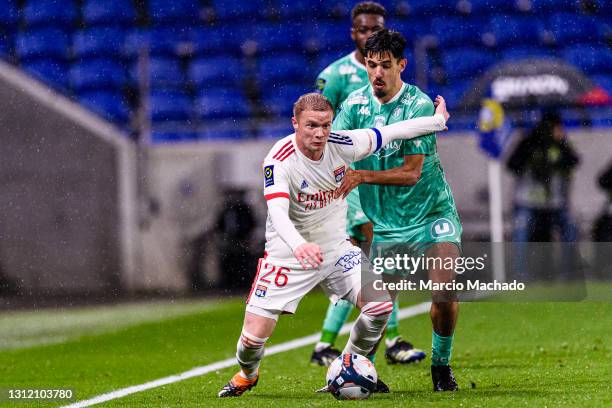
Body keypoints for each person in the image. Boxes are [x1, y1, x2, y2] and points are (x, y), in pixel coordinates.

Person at [217, 92, 450, 397]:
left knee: (379, 306)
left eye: (325, 125)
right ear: (295, 124)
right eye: (311, 125)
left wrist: (437, 121)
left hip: (337, 251)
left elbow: (394, 131)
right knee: (251, 341)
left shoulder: (342, 144)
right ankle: (248, 374)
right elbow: (277, 213)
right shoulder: (279, 159)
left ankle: (348, 367)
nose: (320, 133)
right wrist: (300, 246)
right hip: (288, 256)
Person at [333, 29, 462, 392]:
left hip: (431, 215)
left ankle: (441, 366)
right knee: (377, 310)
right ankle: (362, 374)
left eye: (385, 66)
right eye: (371, 65)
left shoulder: (417, 104)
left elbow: (411, 173)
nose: (377, 73)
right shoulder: (355, 106)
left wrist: (360, 175)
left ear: (401, 66)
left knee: (444, 293)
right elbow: (333, 147)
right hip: (387, 225)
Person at [311, 0, 425, 368]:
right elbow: (317, 127)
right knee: (375, 260)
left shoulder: (391, 70)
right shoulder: (336, 76)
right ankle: (390, 340)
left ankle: (327, 343)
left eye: (377, 28)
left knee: (365, 263)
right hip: (354, 182)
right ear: (353, 33)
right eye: (364, 29)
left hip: (381, 176)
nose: (370, 35)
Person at [507, 111, 580, 280]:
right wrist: (531, 144)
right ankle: (520, 274)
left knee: (570, 228)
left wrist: (560, 143)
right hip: (528, 201)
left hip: (555, 202)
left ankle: (567, 274)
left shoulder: (562, 145)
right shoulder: (528, 142)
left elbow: (574, 161)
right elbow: (512, 164)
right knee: (521, 230)